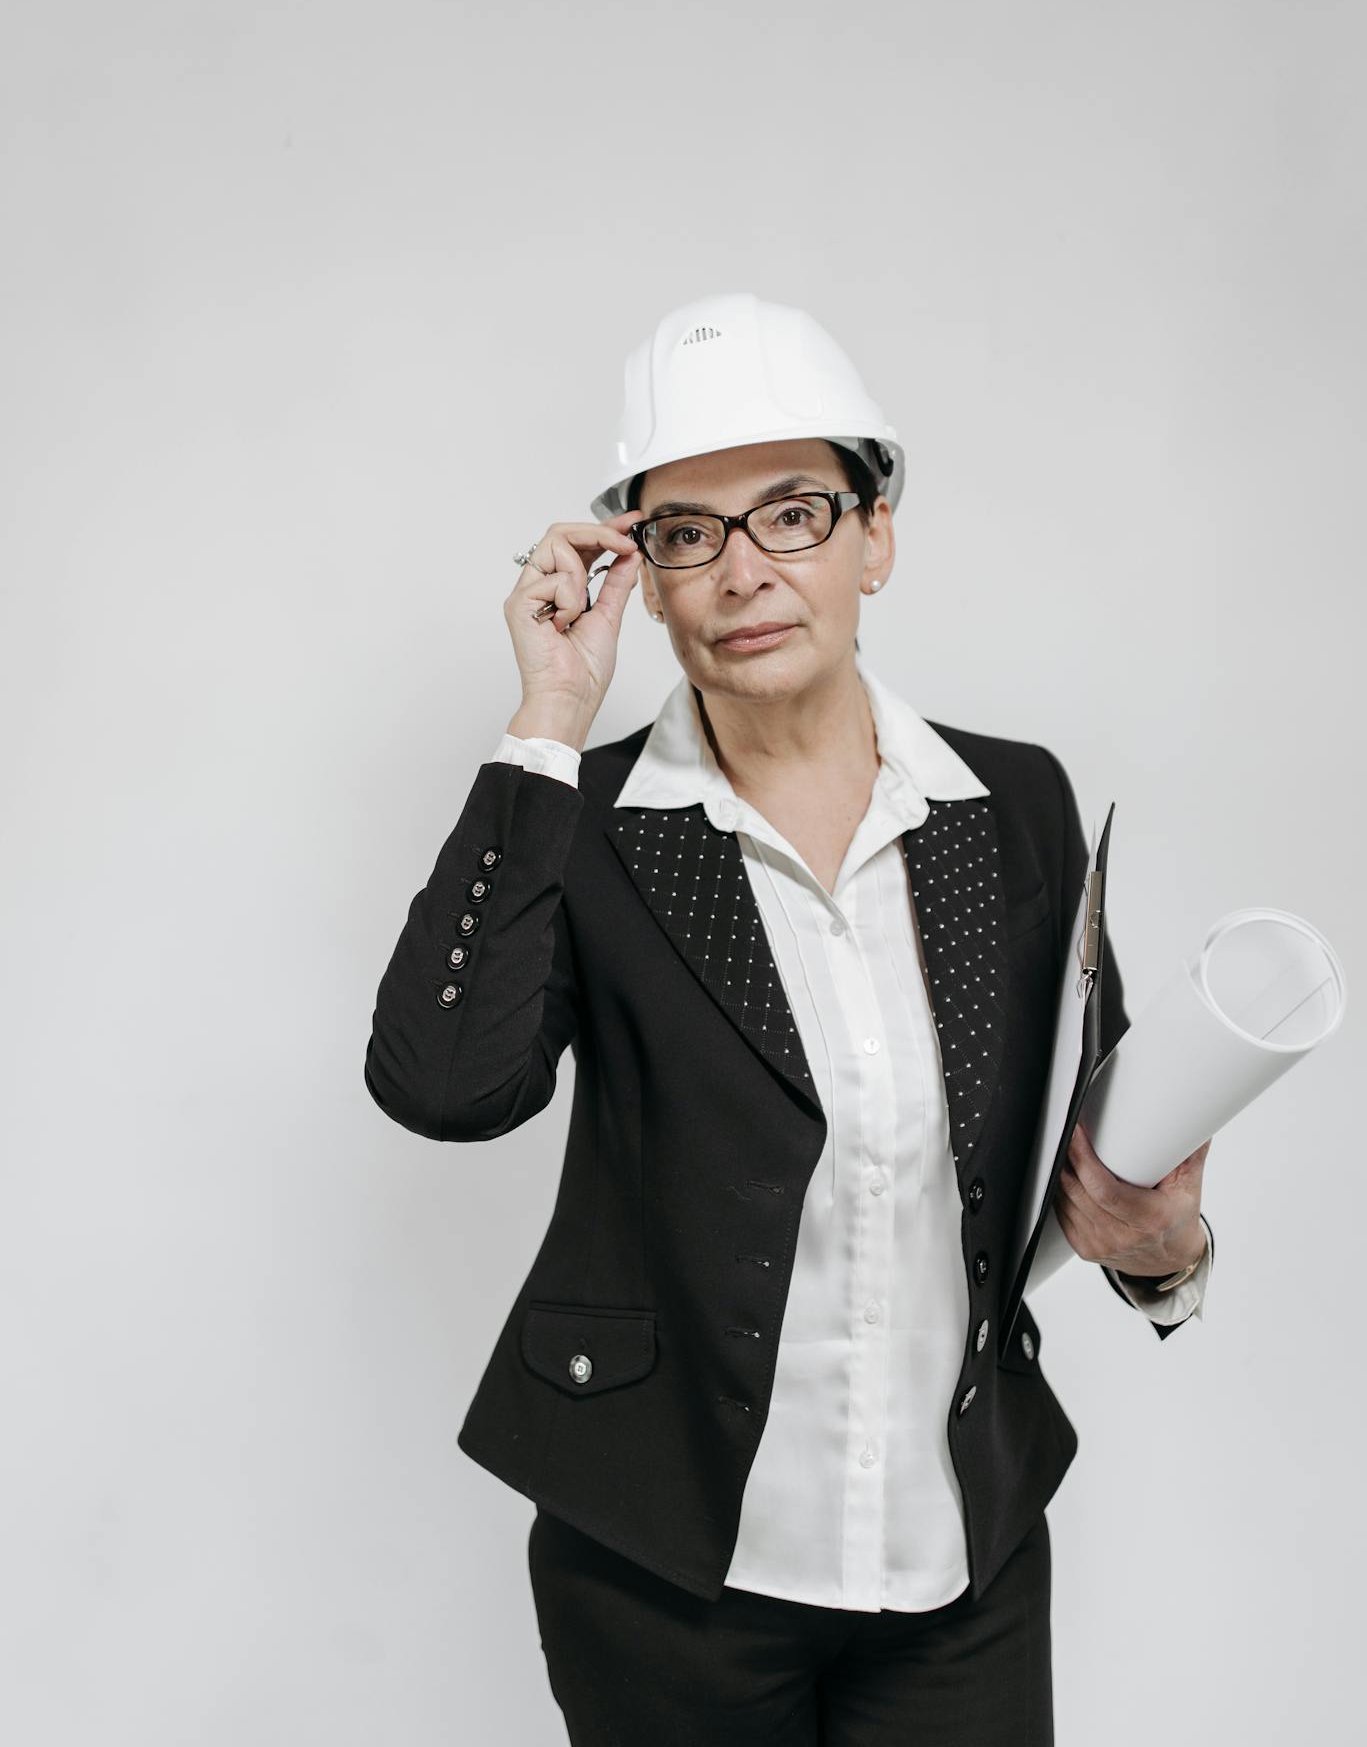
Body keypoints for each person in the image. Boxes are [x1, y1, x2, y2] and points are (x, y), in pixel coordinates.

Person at [364, 292, 1213, 1745]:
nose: (744, 570)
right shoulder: (591, 820)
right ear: (644, 574)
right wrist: (548, 721)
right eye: (689, 532)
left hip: (960, 1559)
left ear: (875, 538)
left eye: (794, 514)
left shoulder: (1011, 806)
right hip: (668, 1569)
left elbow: (1099, 1158)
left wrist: (1167, 1255)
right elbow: (445, 1085)